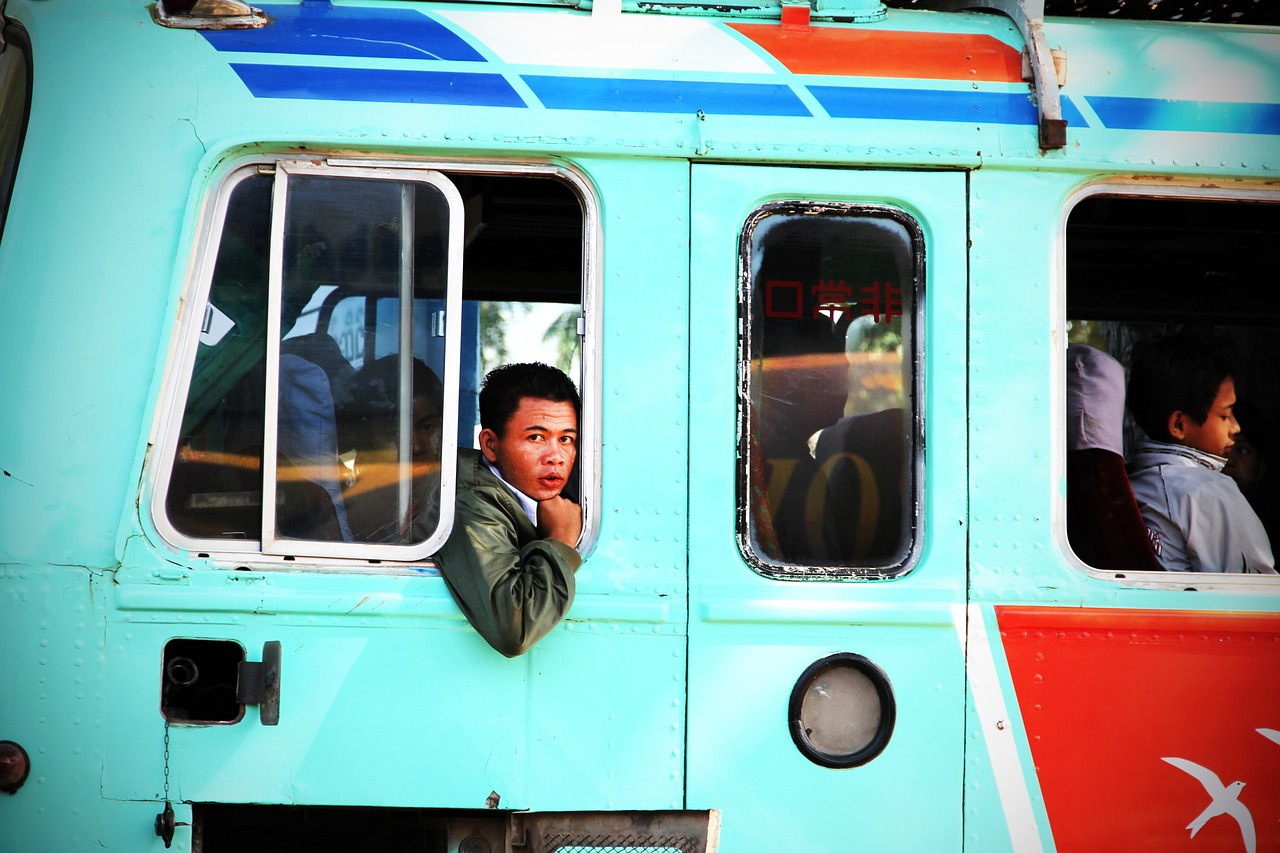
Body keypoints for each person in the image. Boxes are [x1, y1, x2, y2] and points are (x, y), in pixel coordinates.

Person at [430, 362, 583, 656]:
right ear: (490, 444)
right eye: (536, 437)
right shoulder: (470, 500)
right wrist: (561, 542)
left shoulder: (539, 492)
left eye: (566, 439)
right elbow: (514, 628)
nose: (555, 457)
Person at [1125, 331, 1274, 573]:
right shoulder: (1206, 490)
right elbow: (1254, 592)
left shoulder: (1138, 481)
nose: (1235, 427)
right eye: (1225, 415)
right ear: (1179, 425)